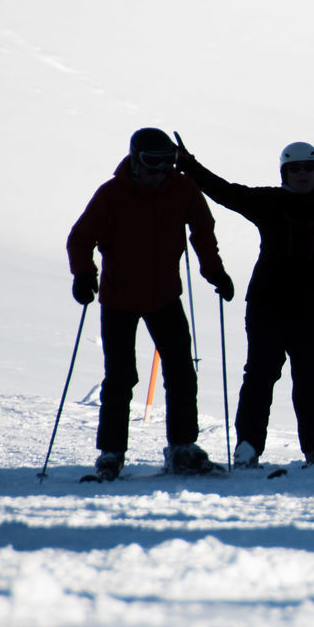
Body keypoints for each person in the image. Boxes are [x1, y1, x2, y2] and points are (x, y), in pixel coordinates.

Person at [175, 137, 314, 471]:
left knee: (309, 376)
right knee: (261, 374)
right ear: (284, 174)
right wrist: (191, 166)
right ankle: (248, 446)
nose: (302, 174)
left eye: (308, 168)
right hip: (266, 306)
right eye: (295, 169)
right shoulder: (270, 202)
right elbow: (227, 192)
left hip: (310, 310)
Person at [67, 127, 234, 480]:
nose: (161, 173)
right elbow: (81, 238)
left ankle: (182, 448)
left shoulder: (182, 188)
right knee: (121, 377)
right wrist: (83, 274)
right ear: (135, 160)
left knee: (181, 372)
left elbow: (202, 229)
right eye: (153, 164)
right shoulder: (111, 194)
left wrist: (214, 271)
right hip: (119, 299)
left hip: (164, 296)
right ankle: (111, 453)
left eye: (168, 165)